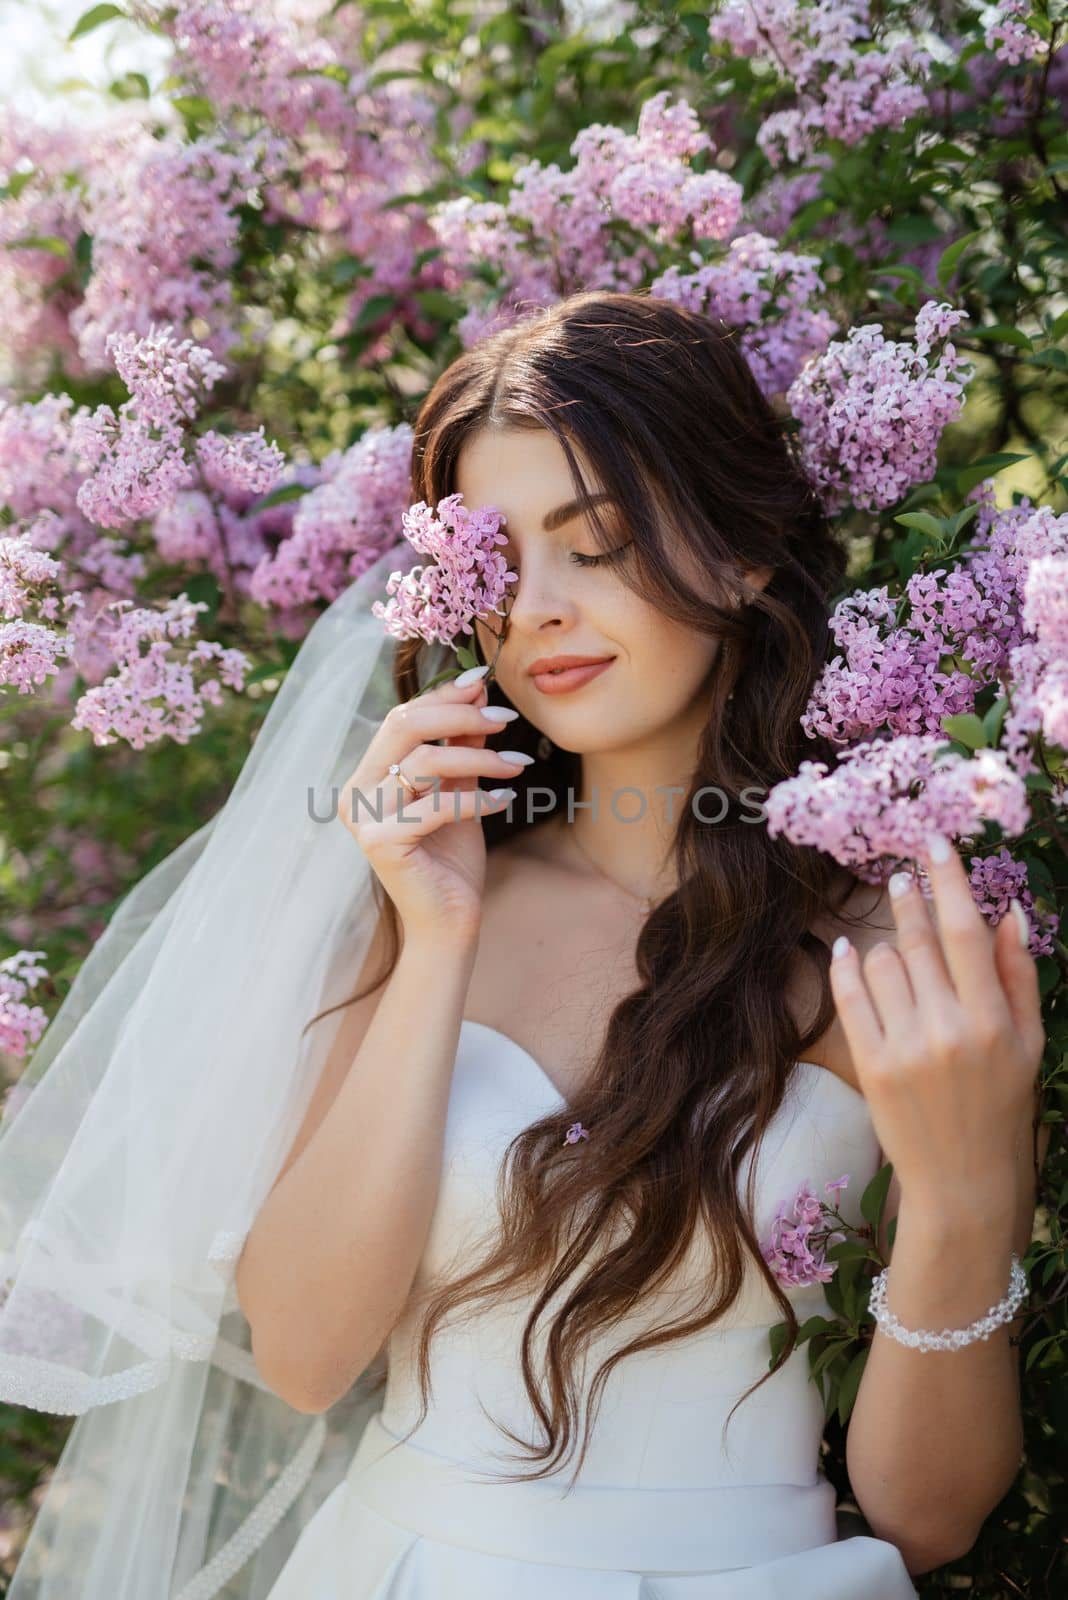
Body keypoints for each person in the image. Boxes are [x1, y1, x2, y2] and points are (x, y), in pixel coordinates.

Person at [0, 292, 1041, 1600]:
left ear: (741, 554)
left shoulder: (901, 952)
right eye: (499, 564)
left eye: (595, 542)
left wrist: (959, 1200)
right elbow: (310, 1354)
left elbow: (927, 1517)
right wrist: (436, 941)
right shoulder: (410, 907)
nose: (537, 609)